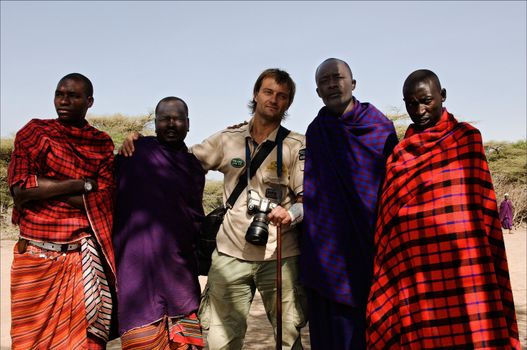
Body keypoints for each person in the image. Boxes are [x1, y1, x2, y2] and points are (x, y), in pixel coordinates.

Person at [120, 68, 307, 349]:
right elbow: (178, 158)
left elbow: (309, 200)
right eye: (268, 92)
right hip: (230, 255)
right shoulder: (227, 139)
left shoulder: (296, 145)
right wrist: (141, 141)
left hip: (279, 254)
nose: (274, 99)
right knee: (221, 341)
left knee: (289, 340)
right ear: (256, 95)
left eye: (282, 96)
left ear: (288, 103)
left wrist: (290, 214)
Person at [366, 69, 521, 348]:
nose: (420, 109)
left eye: (426, 100)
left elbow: (481, 209)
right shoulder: (400, 155)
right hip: (415, 272)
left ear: (443, 96)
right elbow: (388, 218)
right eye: (411, 103)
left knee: (472, 331)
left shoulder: (467, 140)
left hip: (464, 265)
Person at [7, 73, 116, 349]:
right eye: (60, 94)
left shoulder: (100, 143)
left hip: (79, 259)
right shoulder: (34, 132)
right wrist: (80, 184)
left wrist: (45, 185)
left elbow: (102, 201)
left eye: (73, 96)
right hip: (35, 256)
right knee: (30, 341)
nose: (63, 101)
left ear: (89, 101)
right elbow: (21, 189)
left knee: (83, 341)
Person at [301, 58, 398, 349]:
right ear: (317, 91)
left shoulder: (378, 126)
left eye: (338, 77)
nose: (332, 84)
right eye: (324, 81)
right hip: (327, 253)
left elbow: (393, 186)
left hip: (371, 246)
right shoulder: (316, 131)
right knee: (329, 332)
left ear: (353, 83)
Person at [113, 96, 205, 349]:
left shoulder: (193, 167)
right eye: (165, 119)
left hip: (180, 274)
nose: (171, 124)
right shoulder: (135, 153)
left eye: (177, 119)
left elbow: (194, 217)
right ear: (155, 123)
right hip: (137, 271)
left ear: (188, 123)